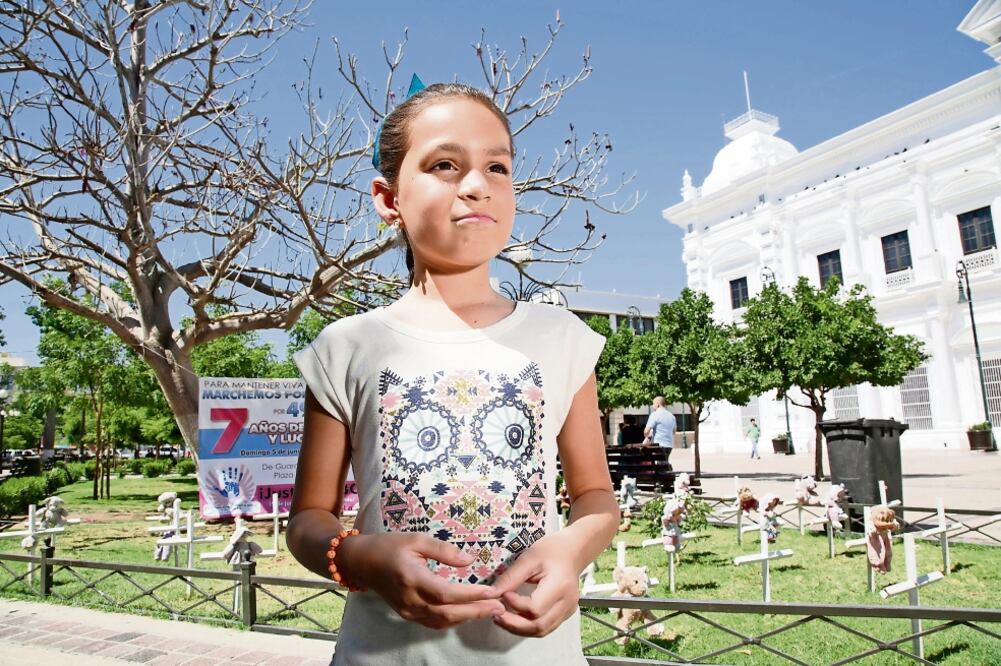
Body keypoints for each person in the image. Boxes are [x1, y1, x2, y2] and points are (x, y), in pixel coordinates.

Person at [287, 81, 619, 666]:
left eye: (497, 166)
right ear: (388, 199)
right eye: (444, 164)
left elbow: (596, 498)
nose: (476, 185)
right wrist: (363, 558)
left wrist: (570, 552)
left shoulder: (563, 339)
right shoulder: (344, 347)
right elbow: (308, 522)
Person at [643, 396, 677, 465]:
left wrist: (648, 436)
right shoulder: (672, 416)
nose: (653, 406)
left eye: (653, 404)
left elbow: (646, 431)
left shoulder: (654, 415)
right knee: (664, 462)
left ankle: (664, 474)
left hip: (659, 444)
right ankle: (667, 473)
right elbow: (674, 431)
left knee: (660, 463)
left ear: (658, 404)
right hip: (669, 445)